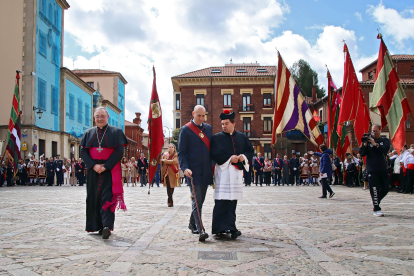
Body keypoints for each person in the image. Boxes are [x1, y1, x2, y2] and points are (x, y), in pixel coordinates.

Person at [80, 106, 128, 239]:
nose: (100, 119)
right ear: (94, 118)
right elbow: (83, 152)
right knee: (93, 197)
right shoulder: (88, 133)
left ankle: (106, 226)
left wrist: (106, 166)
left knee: (108, 197)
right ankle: (95, 226)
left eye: (102, 116)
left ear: (107, 117)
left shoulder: (116, 132)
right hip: (93, 171)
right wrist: (93, 166)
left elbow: (119, 152)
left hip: (110, 171)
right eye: (97, 116)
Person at [210, 110, 254, 239]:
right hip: (223, 174)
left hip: (235, 174)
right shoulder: (216, 138)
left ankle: (231, 227)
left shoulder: (242, 137)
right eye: (222, 124)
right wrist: (230, 158)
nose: (223, 126)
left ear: (234, 124)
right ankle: (218, 228)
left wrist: (243, 157)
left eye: (226, 123)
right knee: (221, 201)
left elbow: (250, 151)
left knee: (232, 202)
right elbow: (215, 154)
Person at [178, 105, 213, 242]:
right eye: (199, 115)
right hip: (192, 172)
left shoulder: (208, 129)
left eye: (203, 115)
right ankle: (201, 230)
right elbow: (181, 152)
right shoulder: (185, 130)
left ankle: (192, 223)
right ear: (193, 114)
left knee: (201, 200)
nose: (201, 118)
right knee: (196, 200)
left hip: (206, 171)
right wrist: (184, 167)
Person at [359, 124, 390, 217]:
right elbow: (362, 154)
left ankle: (375, 201)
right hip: (372, 169)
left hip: (382, 168)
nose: (374, 132)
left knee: (386, 188)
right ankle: (376, 208)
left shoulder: (384, 140)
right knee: (374, 189)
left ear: (380, 130)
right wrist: (365, 144)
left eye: (376, 131)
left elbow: (385, 150)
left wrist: (375, 144)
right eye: (373, 130)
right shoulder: (368, 142)